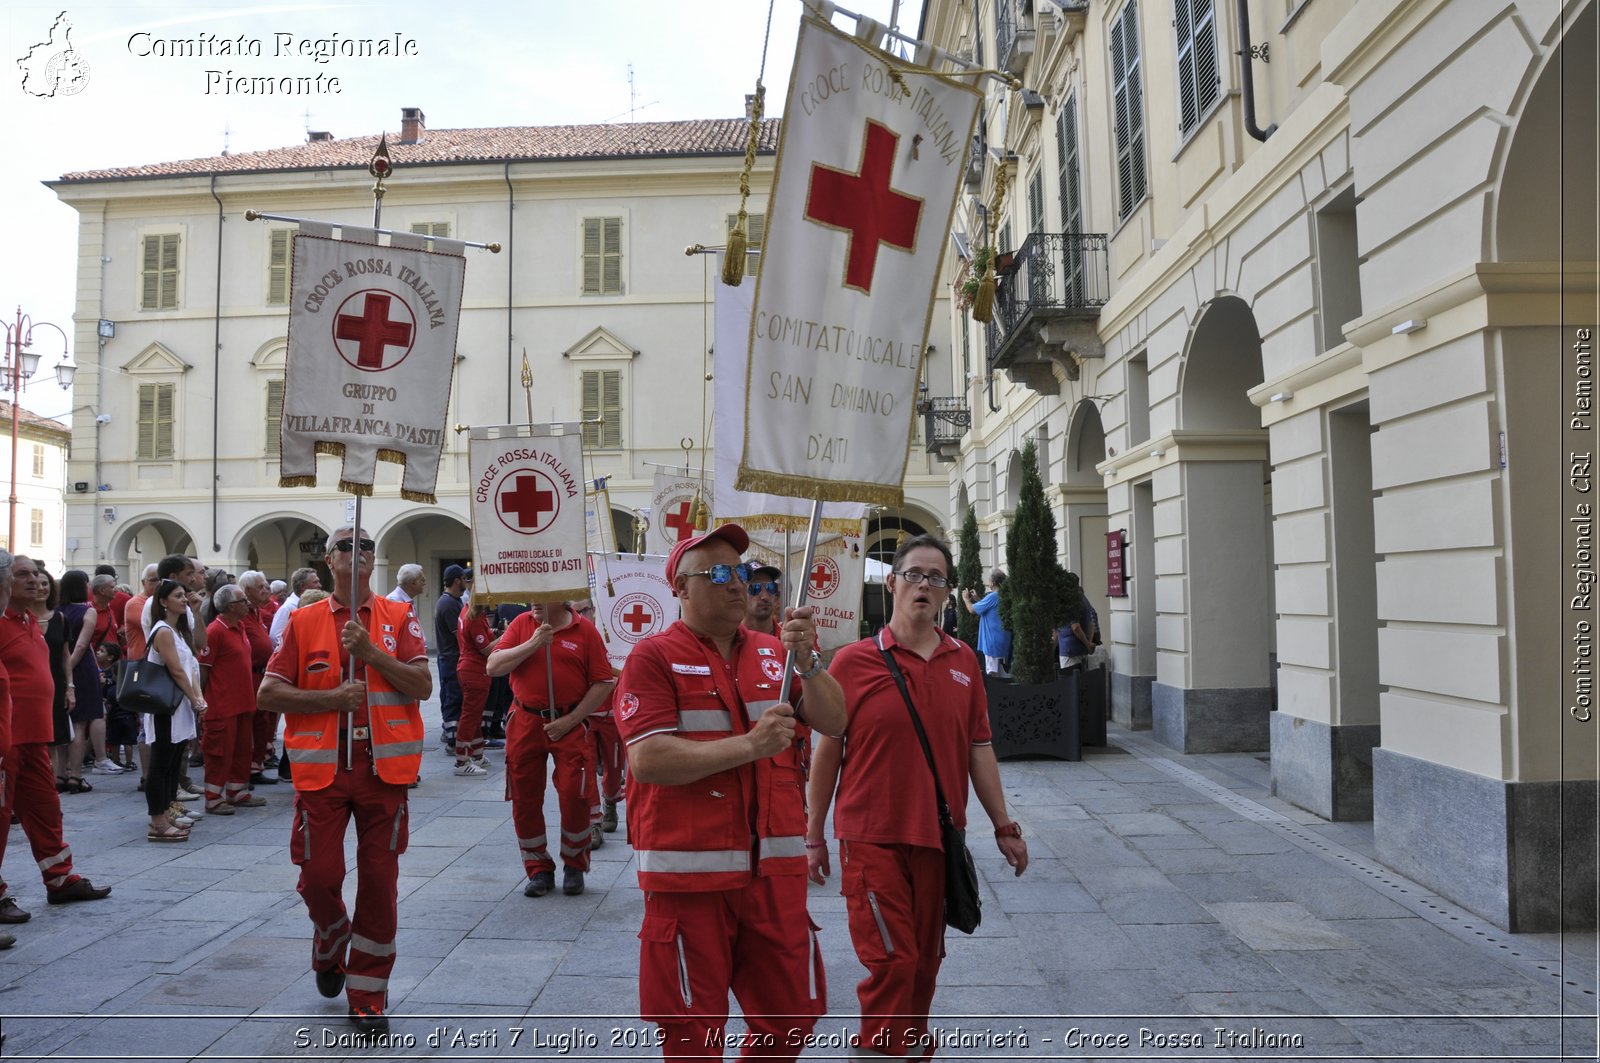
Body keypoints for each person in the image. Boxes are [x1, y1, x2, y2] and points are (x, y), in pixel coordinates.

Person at [615, 524, 846, 1061]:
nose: (738, 584)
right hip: (689, 881)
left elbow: (834, 720)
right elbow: (648, 760)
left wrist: (810, 662)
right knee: (693, 1037)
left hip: (773, 874)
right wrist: (750, 746)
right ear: (680, 587)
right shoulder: (652, 657)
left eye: (741, 571)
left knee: (789, 1023)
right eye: (718, 573)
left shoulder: (775, 654)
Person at [808, 535, 1029, 1059]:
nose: (924, 585)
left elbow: (979, 749)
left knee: (925, 965)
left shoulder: (965, 663)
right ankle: (880, 1053)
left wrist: (1003, 826)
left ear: (948, 594)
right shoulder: (853, 663)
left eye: (937, 578)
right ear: (892, 584)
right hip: (870, 837)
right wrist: (813, 834)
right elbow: (826, 755)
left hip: (938, 836)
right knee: (892, 961)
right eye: (914, 575)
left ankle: (907, 1051)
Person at [258, 526, 431, 1037]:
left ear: (374, 562)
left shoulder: (399, 617)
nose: (357, 555)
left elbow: (421, 684)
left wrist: (374, 655)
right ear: (329, 561)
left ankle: (368, 994)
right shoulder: (303, 620)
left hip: (383, 773)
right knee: (318, 878)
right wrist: (331, 700)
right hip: (322, 773)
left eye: (366, 548)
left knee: (379, 885)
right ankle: (332, 936)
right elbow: (269, 693)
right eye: (345, 547)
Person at [0, 555, 114, 912]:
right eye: (23, 575)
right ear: (5, 582)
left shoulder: (30, 620)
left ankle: (60, 879)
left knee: (47, 810)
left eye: (37, 574)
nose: (35, 580)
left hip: (34, 738)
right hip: (8, 741)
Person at [485, 597, 613, 897]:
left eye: (542, 595)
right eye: (530, 595)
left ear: (562, 596)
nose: (533, 601)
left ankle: (575, 864)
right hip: (525, 721)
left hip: (569, 723)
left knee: (575, 795)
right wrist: (533, 643)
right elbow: (493, 666)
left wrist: (571, 720)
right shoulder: (522, 624)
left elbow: (603, 682)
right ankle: (538, 868)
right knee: (524, 796)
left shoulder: (585, 631)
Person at [144, 578, 206, 842]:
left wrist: (198, 698)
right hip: (166, 707)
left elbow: (191, 667)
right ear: (162, 601)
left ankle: (167, 811)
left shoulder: (177, 631)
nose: (184, 600)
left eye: (184, 595)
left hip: (180, 706)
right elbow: (176, 670)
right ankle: (156, 820)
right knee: (161, 763)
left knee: (172, 763)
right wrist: (194, 699)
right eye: (178, 596)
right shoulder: (163, 631)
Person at [197, 584, 267, 814]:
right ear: (229, 606)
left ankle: (237, 791)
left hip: (243, 702)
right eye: (243, 601)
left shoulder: (239, 627)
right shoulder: (215, 631)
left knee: (242, 750)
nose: (247, 604)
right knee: (219, 752)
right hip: (222, 704)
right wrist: (201, 702)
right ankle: (213, 797)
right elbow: (203, 669)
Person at [572, 599, 623, 849]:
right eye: (577, 610)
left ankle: (611, 802)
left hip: (613, 715)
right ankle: (593, 823)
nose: (581, 614)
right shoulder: (575, 637)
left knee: (614, 771)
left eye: (585, 609)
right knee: (586, 767)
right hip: (587, 717)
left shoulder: (614, 633)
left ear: (594, 610)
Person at [61, 570, 120, 779]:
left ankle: (61, 772)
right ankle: (76, 775)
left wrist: (61, 668)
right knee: (80, 723)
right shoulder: (88, 611)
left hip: (62, 667)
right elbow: (82, 645)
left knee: (64, 723)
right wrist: (69, 668)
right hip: (81, 669)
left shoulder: (57, 611)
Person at [236, 571, 280, 785]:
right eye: (261, 587)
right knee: (251, 725)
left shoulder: (257, 612)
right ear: (247, 591)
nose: (266, 590)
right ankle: (245, 770)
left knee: (262, 724)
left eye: (266, 586)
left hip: (261, 674)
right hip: (250, 676)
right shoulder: (241, 615)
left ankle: (256, 766)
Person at [453, 601, 498, 775]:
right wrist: (507, 635)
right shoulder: (474, 617)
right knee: (470, 715)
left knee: (474, 713)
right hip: (475, 671)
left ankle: (477, 753)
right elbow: (486, 649)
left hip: (468, 668)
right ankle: (462, 761)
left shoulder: (467, 610)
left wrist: (494, 633)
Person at [433, 565, 468, 754]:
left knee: (455, 696)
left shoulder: (453, 601)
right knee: (452, 697)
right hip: (450, 658)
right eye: (463, 578)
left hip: (452, 657)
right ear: (457, 580)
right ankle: (452, 739)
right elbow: (460, 634)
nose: (465, 581)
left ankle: (454, 734)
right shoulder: (448, 604)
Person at [962, 569, 1013, 678]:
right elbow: (990, 610)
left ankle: (994, 694)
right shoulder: (1004, 595)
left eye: (989, 579)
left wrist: (966, 599)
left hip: (992, 641)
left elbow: (972, 610)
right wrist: (977, 599)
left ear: (993, 582)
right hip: (1002, 639)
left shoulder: (993, 596)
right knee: (1002, 674)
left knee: (992, 674)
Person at [269, 567, 322, 649]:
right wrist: (297, 650)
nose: (319, 585)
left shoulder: (310, 604)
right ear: (302, 586)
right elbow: (275, 636)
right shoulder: (287, 608)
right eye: (315, 582)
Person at [1056, 591, 1099, 673]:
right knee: (1081, 681)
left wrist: (1088, 646)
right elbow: (1091, 624)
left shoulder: (1069, 600)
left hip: (1069, 651)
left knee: (1069, 681)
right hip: (1081, 650)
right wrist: (1088, 644)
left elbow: (1075, 627)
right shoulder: (1084, 599)